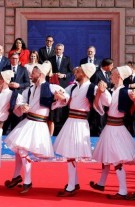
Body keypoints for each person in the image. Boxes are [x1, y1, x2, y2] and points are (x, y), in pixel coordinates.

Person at [4, 64, 69, 194]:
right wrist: (22, 106)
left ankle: (27, 181)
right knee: (19, 149)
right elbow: (21, 100)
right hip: (28, 122)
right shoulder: (30, 89)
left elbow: (65, 97)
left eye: (33, 73)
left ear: (40, 74)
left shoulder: (51, 87)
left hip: (38, 124)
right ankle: (17, 176)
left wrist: (60, 98)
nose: (30, 75)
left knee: (22, 149)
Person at [53, 63, 110, 197]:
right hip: (71, 122)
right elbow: (64, 94)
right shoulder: (73, 86)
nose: (75, 73)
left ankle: (72, 186)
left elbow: (108, 101)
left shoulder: (92, 87)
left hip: (79, 123)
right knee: (69, 154)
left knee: (71, 154)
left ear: (84, 73)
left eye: (78, 71)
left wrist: (103, 90)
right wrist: (59, 96)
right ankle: (74, 183)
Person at [90, 65, 135, 200]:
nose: (110, 76)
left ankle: (123, 191)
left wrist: (134, 99)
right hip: (110, 127)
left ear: (119, 76)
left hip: (116, 128)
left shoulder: (126, 91)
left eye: (113, 74)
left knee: (115, 159)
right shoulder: (112, 90)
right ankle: (101, 183)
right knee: (107, 157)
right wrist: (100, 93)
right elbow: (100, 105)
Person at [2, 53, 30, 134]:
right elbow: (2, 81)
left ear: (18, 60)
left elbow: (27, 83)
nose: (14, 60)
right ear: (10, 59)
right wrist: (8, 84)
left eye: (16, 59)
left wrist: (19, 85)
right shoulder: (5, 68)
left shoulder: (23, 69)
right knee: (6, 119)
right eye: (13, 58)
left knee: (17, 119)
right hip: (7, 97)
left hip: (18, 98)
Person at [89, 58, 114, 136]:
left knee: (105, 118)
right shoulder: (96, 74)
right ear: (107, 66)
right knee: (99, 118)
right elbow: (93, 87)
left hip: (108, 100)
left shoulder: (109, 73)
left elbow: (111, 84)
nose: (113, 67)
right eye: (112, 65)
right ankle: (98, 134)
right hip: (99, 101)